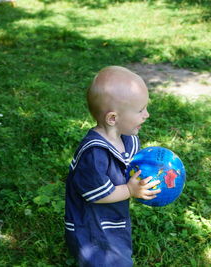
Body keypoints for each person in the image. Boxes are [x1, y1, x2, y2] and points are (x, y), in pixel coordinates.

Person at [64, 66, 161, 266]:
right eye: (140, 110)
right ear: (113, 118)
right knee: (108, 259)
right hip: (92, 226)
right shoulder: (95, 154)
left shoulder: (128, 139)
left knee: (119, 250)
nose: (147, 115)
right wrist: (130, 189)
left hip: (112, 219)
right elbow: (97, 195)